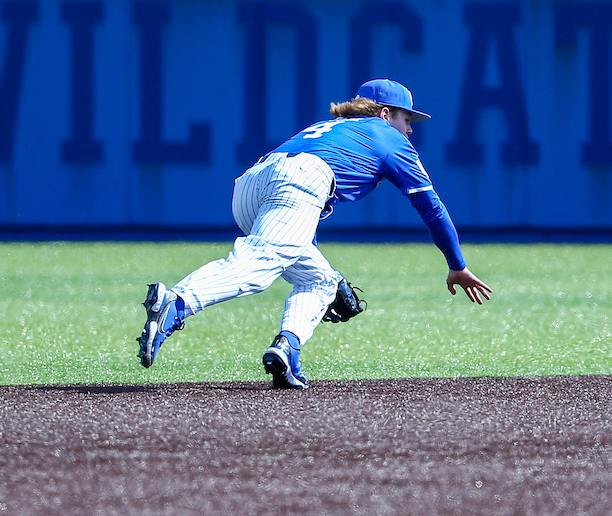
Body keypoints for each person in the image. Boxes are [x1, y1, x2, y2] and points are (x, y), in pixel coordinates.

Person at [136, 78, 493, 389]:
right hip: (301, 179)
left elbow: (298, 210)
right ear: (385, 114)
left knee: (321, 280)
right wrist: (456, 263)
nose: (410, 128)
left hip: (251, 184)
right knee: (259, 266)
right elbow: (431, 206)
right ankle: (178, 301)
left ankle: (287, 349)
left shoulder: (328, 128)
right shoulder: (387, 136)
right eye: (406, 118)